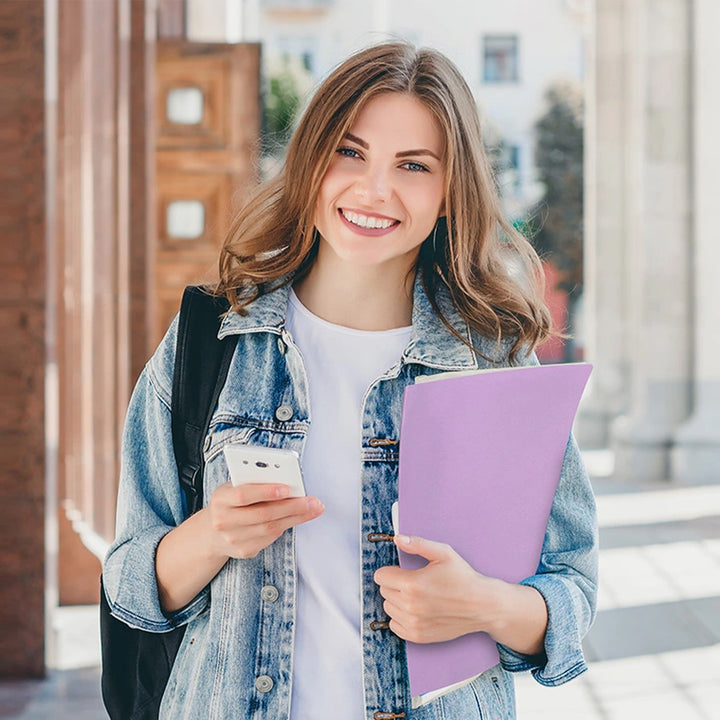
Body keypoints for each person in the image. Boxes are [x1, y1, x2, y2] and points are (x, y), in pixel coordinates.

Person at [103, 41, 598, 720]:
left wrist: (484, 605)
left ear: (451, 190)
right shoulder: (212, 340)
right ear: (311, 161)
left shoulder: (494, 362)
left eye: (414, 165)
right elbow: (128, 582)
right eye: (349, 151)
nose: (375, 189)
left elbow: (572, 590)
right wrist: (211, 536)